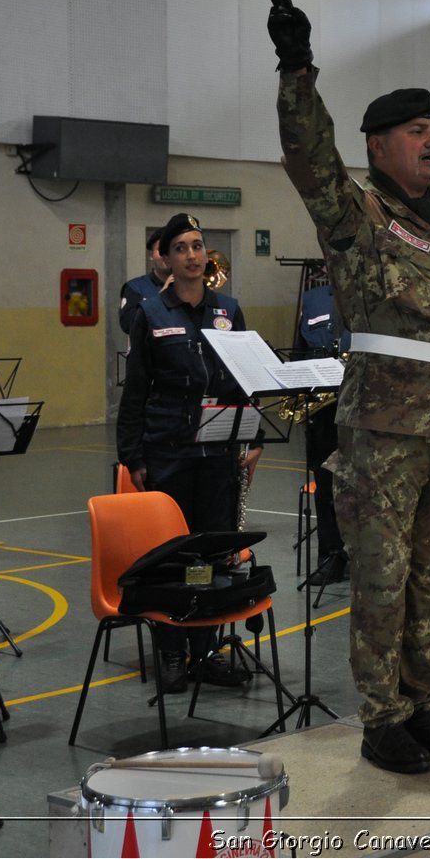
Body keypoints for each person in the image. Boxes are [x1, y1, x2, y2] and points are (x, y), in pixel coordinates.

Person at [270, 0, 430, 775]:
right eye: (414, 129)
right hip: (385, 433)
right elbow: (308, 160)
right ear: (378, 145)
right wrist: (297, 69)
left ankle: (425, 701)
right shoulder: (357, 216)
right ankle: (381, 716)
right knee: (383, 577)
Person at [117, 212, 262, 695]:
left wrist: (254, 438)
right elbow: (135, 388)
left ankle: (205, 652)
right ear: (166, 258)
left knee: (213, 557)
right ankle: (172, 653)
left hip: (219, 454)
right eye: (181, 248)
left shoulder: (229, 310)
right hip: (168, 451)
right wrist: (132, 454)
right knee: (173, 558)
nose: (192, 255)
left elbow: (245, 377)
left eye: (198, 246)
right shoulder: (150, 314)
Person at [293, 280, 348, 585]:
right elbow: (300, 353)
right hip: (323, 412)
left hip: (365, 410)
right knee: (326, 490)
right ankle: (330, 558)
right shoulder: (313, 299)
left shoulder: (374, 293)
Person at [118, 227, 172, 335]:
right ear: (151, 255)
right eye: (160, 250)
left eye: (170, 249)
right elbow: (127, 324)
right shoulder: (135, 287)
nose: (165, 254)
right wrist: (160, 298)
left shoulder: (186, 286)